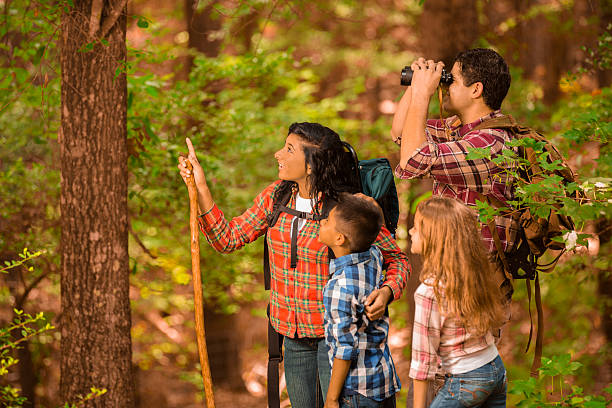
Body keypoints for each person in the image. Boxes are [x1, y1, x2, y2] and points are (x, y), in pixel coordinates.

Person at [177, 122, 410, 408]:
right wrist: (200, 185)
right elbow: (227, 238)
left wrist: (387, 291)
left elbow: (396, 259)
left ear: (311, 165)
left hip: (336, 340)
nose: (278, 154)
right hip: (292, 338)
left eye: (289, 149)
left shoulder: (344, 208)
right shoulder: (276, 197)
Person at [390, 48, 516, 300]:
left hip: (476, 280)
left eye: (453, 80)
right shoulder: (461, 128)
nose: (446, 86)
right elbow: (401, 133)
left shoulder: (490, 143)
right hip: (454, 271)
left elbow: (413, 161)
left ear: (476, 89)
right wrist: (416, 86)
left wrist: (425, 94)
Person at [409, 197, 507, 408]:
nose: (410, 232)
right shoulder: (472, 274)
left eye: (416, 228)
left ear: (433, 238)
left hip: (466, 380)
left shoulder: (429, 291)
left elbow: (422, 362)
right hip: (495, 368)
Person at [318, 193, 400, 408]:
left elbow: (344, 349)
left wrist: (332, 398)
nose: (322, 221)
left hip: (356, 390)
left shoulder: (338, 288)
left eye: (327, 221)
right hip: (383, 379)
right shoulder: (373, 256)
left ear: (339, 239)